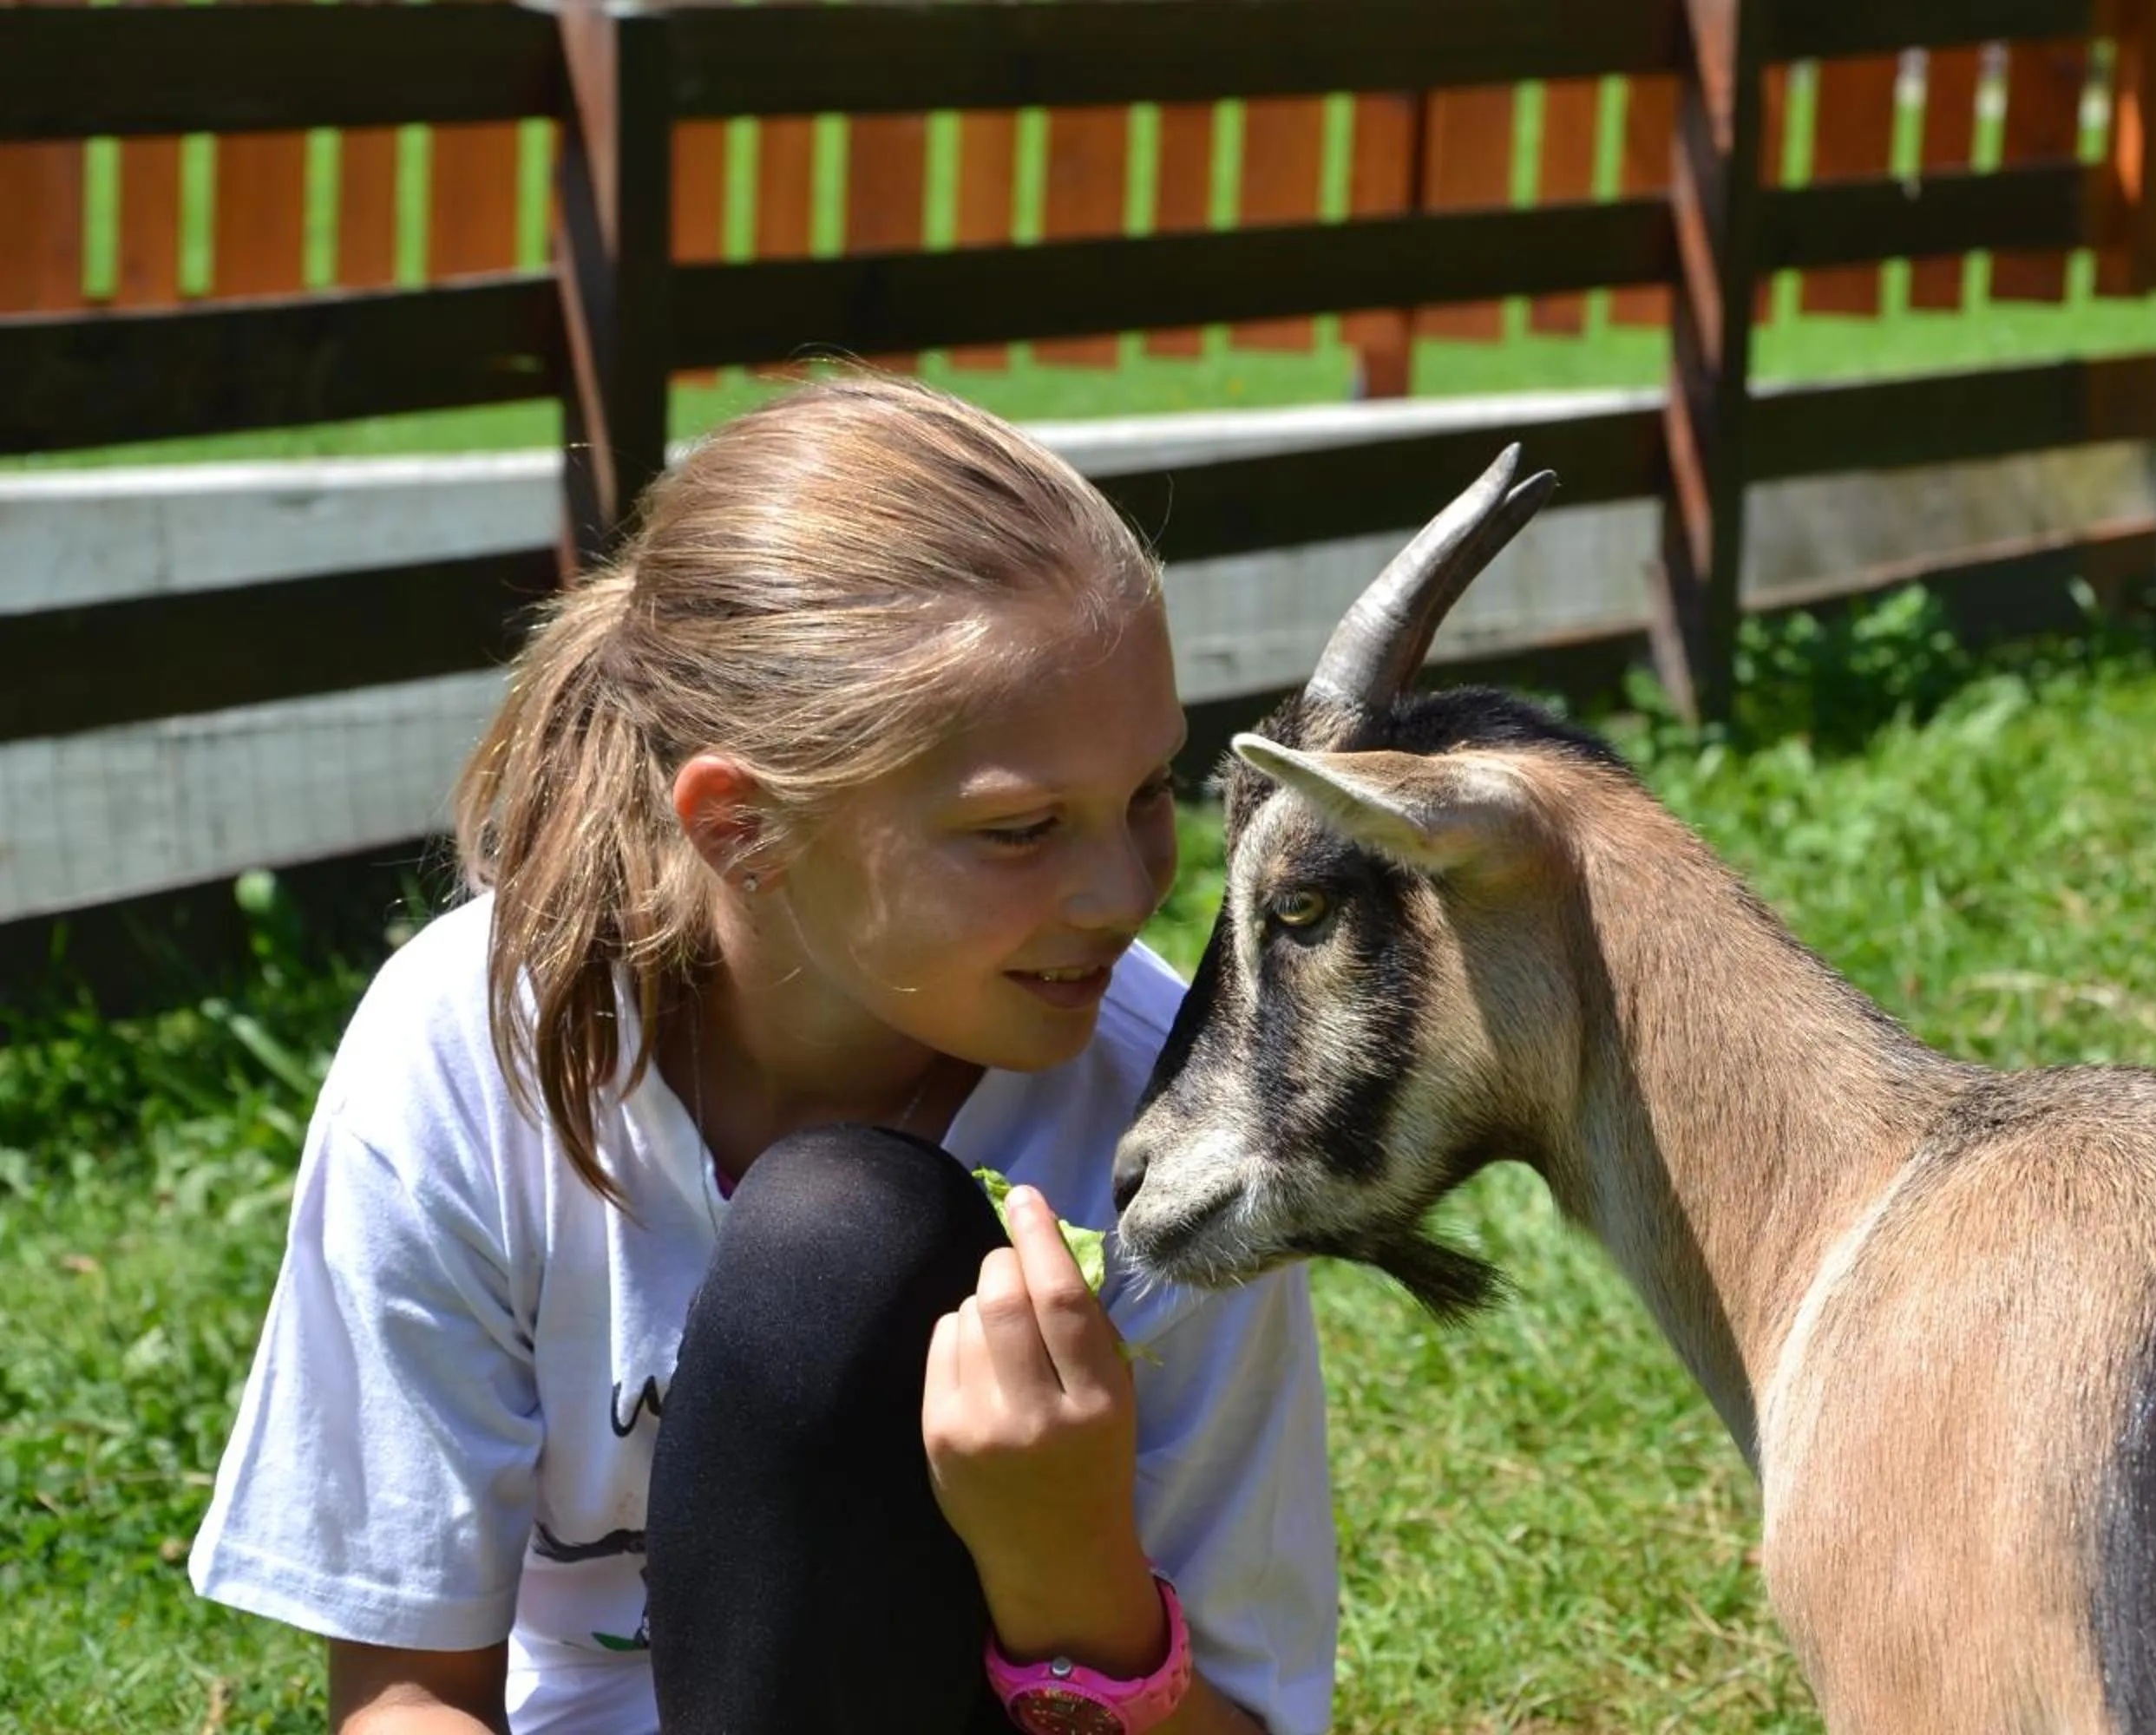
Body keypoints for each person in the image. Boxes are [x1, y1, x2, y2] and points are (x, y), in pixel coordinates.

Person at [187, 371, 1340, 1734]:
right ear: (739, 826)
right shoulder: (472, 1047)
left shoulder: (1175, 1122)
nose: (1125, 889)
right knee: (830, 1247)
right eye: (1021, 829)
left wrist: (1064, 1572)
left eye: (1150, 790)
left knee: (841, 1243)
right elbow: (404, 1694)